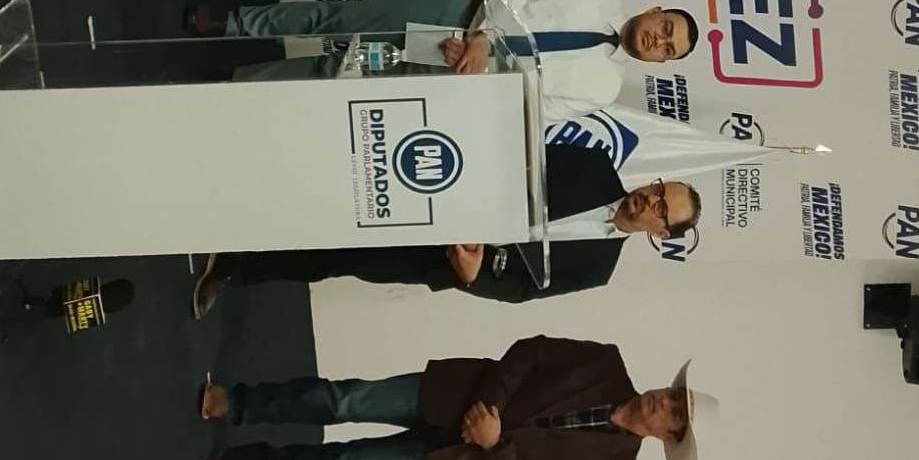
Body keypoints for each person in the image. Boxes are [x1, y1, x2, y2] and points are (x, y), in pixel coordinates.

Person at [195, 338, 718, 460]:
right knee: (345, 398)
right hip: (453, 394)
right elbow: (531, 353)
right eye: (673, 395)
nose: (663, 402)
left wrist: (494, 444)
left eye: (674, 413)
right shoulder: (607, 362)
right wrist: (489, 408)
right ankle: (235, 403)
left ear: (668, 437)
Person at [190, 142, 702, 315]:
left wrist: (474, 275)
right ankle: (235, 213)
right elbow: (513, 156)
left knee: (336, 260)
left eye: (663, 209)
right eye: (660, 188)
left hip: (445, 261)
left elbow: (525, 290)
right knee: (336, 206)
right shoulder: (593, 165)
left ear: (660, 234)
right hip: (440, 199)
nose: (651, 199)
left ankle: (234, 270)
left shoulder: (599, 269)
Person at [184, 0, 699, 112]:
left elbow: (533, 106)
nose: (659, 41)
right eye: (666, 28)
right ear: (655, 11)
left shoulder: (604, 89)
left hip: (453, 72)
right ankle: (236, 23)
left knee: (336, 73)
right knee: (338, 21)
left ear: (660, 64)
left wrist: (476, 71)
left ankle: (233, 83)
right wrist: (484, 34)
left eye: (668, 50)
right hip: (456, 14)